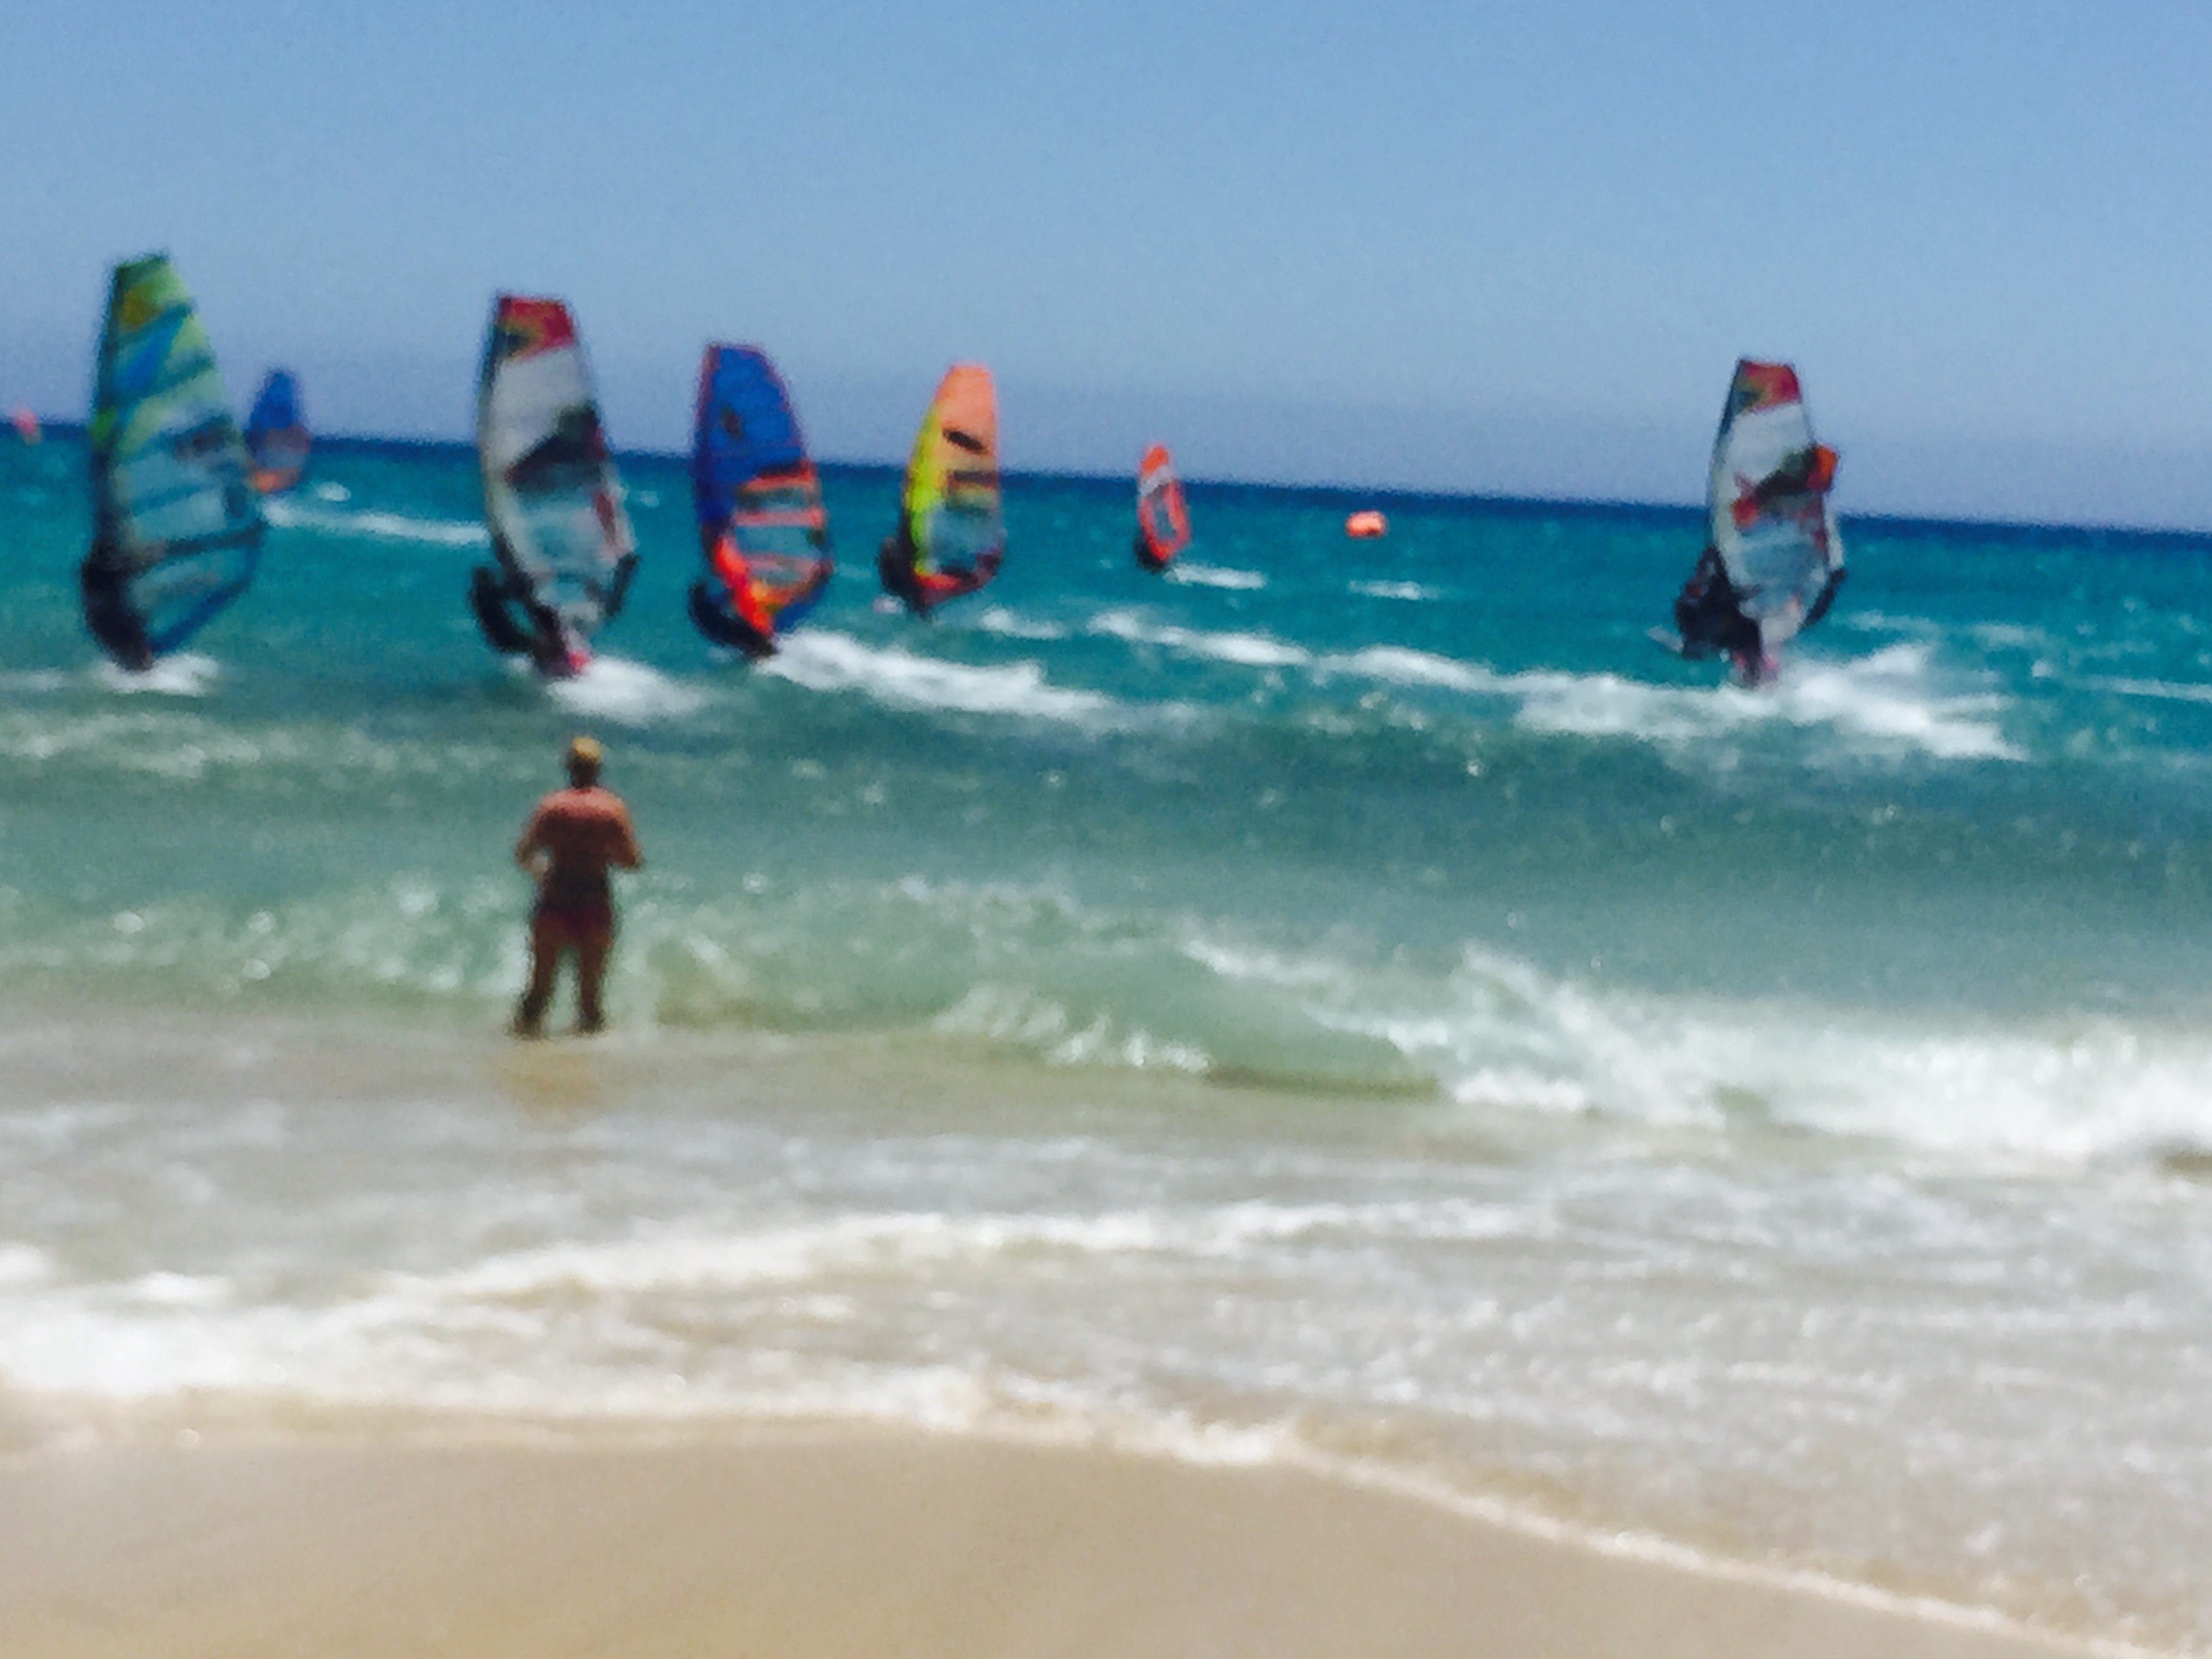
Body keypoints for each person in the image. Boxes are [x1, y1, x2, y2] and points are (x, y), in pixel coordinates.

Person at [512, 735, 642, 1036]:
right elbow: (632, 861)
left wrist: (541, 871)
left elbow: (523, 854)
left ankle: (521, 1051)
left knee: (538, 991)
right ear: (598, 769)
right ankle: (586, 1060)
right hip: (594, 899)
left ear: (569, 767)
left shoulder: (552, 807)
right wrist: (600, 852)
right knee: (590, 998)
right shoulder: (611, 810)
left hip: (556, 897)